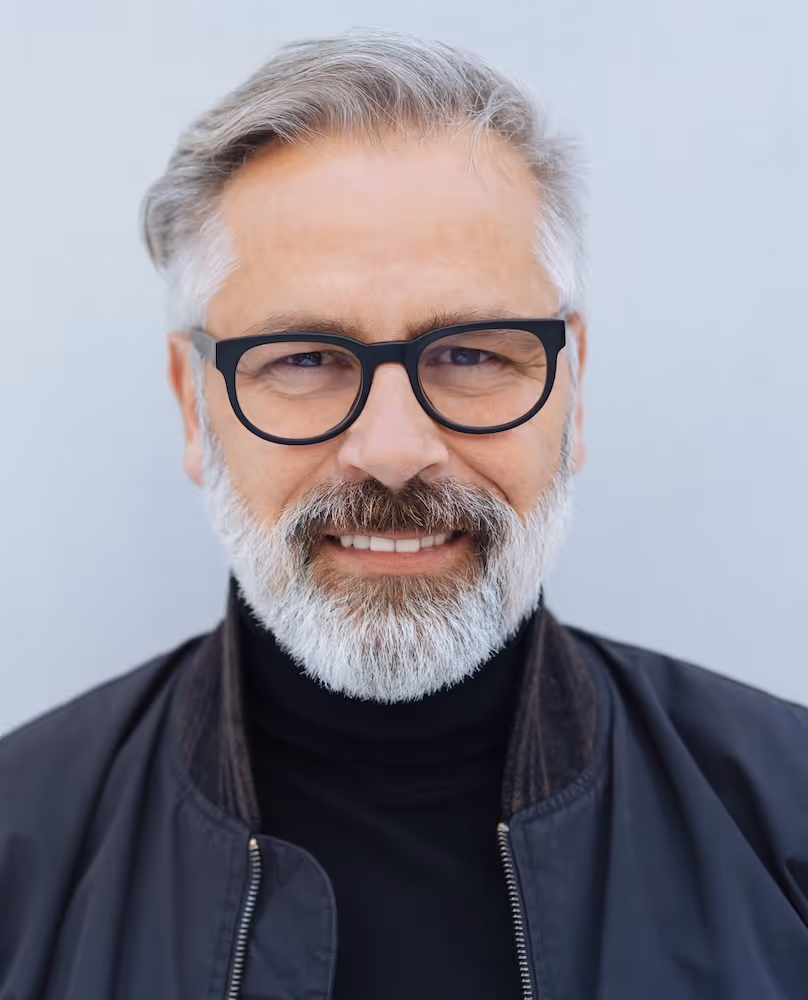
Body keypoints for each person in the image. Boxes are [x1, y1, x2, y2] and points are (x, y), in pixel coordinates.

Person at [1, 28, 806, 1000]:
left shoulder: (787, 825)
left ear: (572, 391)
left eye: (470, 354)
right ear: (192, 405)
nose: (390, 448)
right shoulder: (19, 858)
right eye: (305, 358)